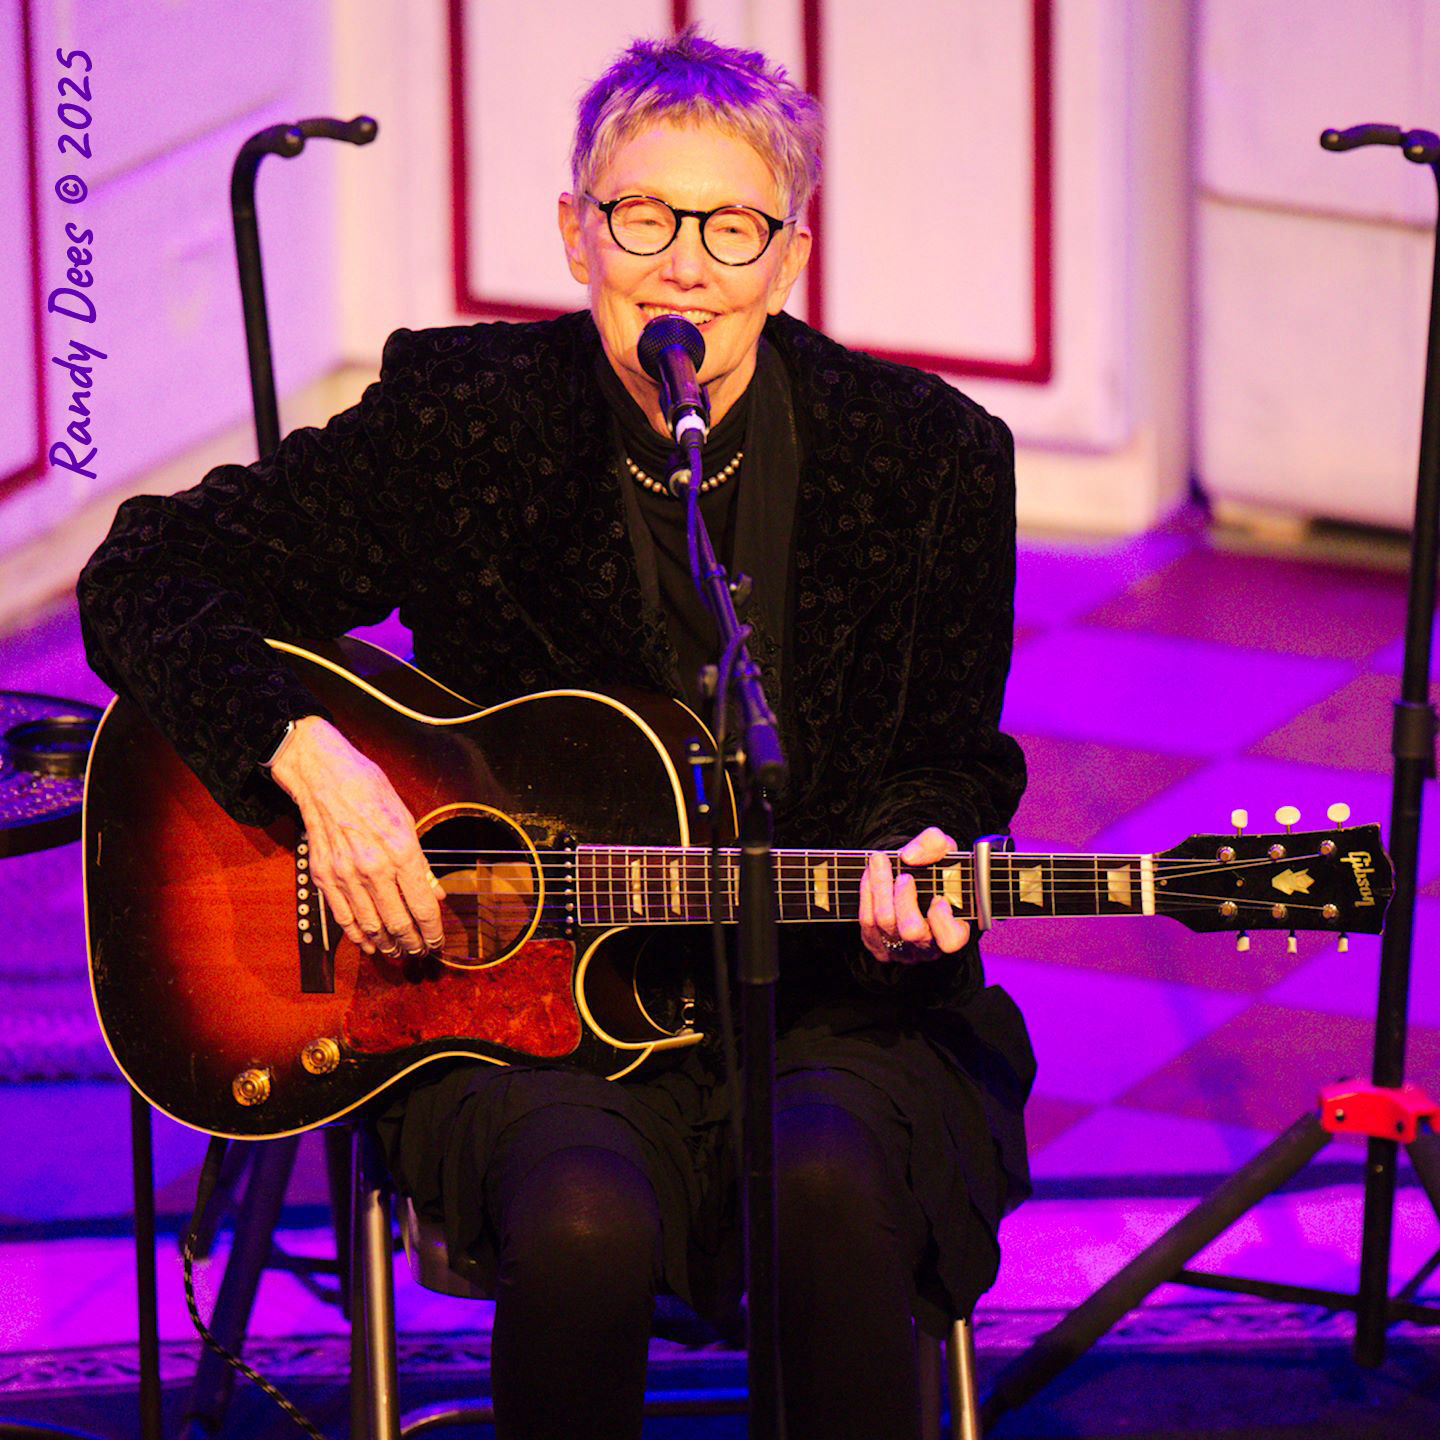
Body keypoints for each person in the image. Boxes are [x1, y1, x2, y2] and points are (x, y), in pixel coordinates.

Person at [79, 30, 1033, 1440]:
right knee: (584, 1220)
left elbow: (952, 761)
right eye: (643, 218)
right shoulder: (466, 424)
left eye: (732, 227)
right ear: (577, 235)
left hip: (829, 1004)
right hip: (514, 1016)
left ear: (792, 254)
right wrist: (306, 758)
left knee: (829, 1185)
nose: (685, 266)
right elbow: (142, 575)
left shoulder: (932, 459)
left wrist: (915, 856)